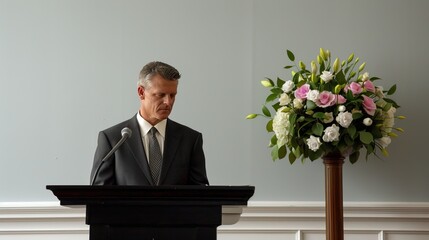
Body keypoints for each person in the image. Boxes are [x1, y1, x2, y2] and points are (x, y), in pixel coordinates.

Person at [90, 61, 209, 186]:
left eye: (172, 95)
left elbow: (200, 195)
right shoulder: (112, 139)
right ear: (141, 92)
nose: (168, 102)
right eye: (160, 95)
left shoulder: (190, 140)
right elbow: (100, 196)